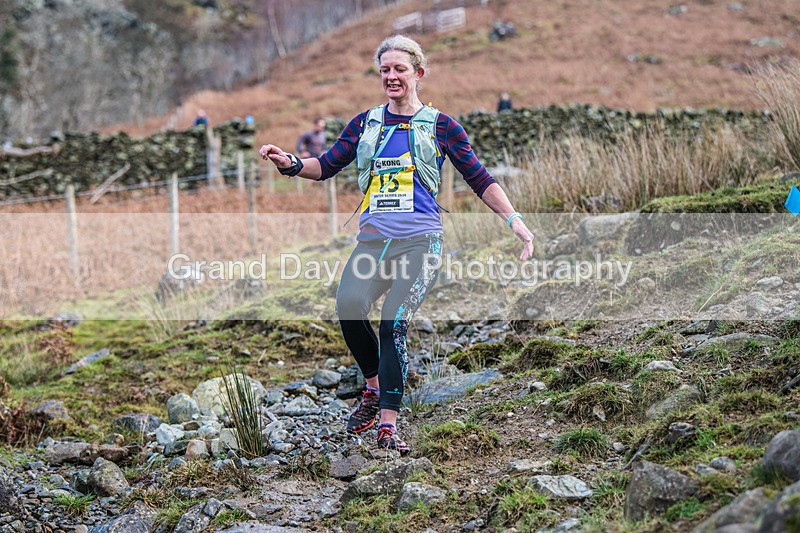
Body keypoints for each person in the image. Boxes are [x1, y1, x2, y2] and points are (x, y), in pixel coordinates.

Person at [258, 35, 534, 454]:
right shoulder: (365, 123)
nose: (391, 76)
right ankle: (373, 388)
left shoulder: (442, 126)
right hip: (373, 243)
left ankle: (388, 424)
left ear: (418, 73)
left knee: (392, 323)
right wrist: (292, 164)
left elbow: (479, 178)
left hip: (420, 244)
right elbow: (327, 165)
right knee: (349, 307)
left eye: (399, 69)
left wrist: (515, 221)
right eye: (384, 69)